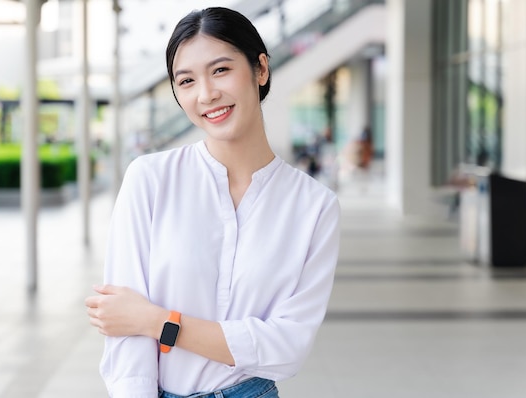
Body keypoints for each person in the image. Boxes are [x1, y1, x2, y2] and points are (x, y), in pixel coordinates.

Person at [85, 7, 340, 398]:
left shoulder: (313, 206)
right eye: (186, 81)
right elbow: (124, 336)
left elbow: (286, 348)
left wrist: (158, 322)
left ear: (261, 70)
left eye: (221, 70)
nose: (206, 94)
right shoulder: (150, 179)